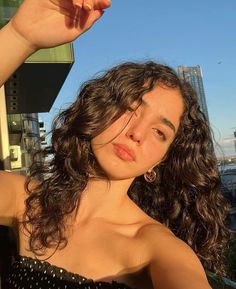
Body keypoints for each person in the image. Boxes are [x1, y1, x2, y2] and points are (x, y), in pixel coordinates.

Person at [0, 1, 230, 289]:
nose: (137, 133)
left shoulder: (158, 250)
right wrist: (20, 36)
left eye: (159, 132)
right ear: (101, 110)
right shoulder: (29, 203)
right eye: (130, 109)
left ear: (161, 160)